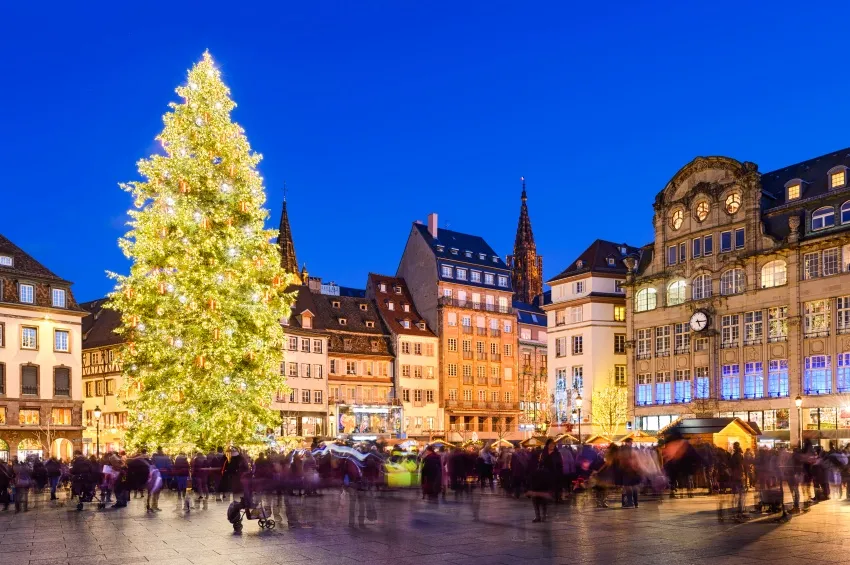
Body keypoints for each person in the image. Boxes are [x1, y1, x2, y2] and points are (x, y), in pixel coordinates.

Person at [529, 439, 562, 523]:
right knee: (536, 496)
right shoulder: (543, 453)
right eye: (550, 444)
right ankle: (538, 516)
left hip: (552, 476)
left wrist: (558, 476)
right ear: (547, 445)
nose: (552, 446)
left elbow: (560, 466)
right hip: (542, 476)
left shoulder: (557, 454)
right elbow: (538, 463)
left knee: (545, 497)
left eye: (553, 444)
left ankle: (543, 516)